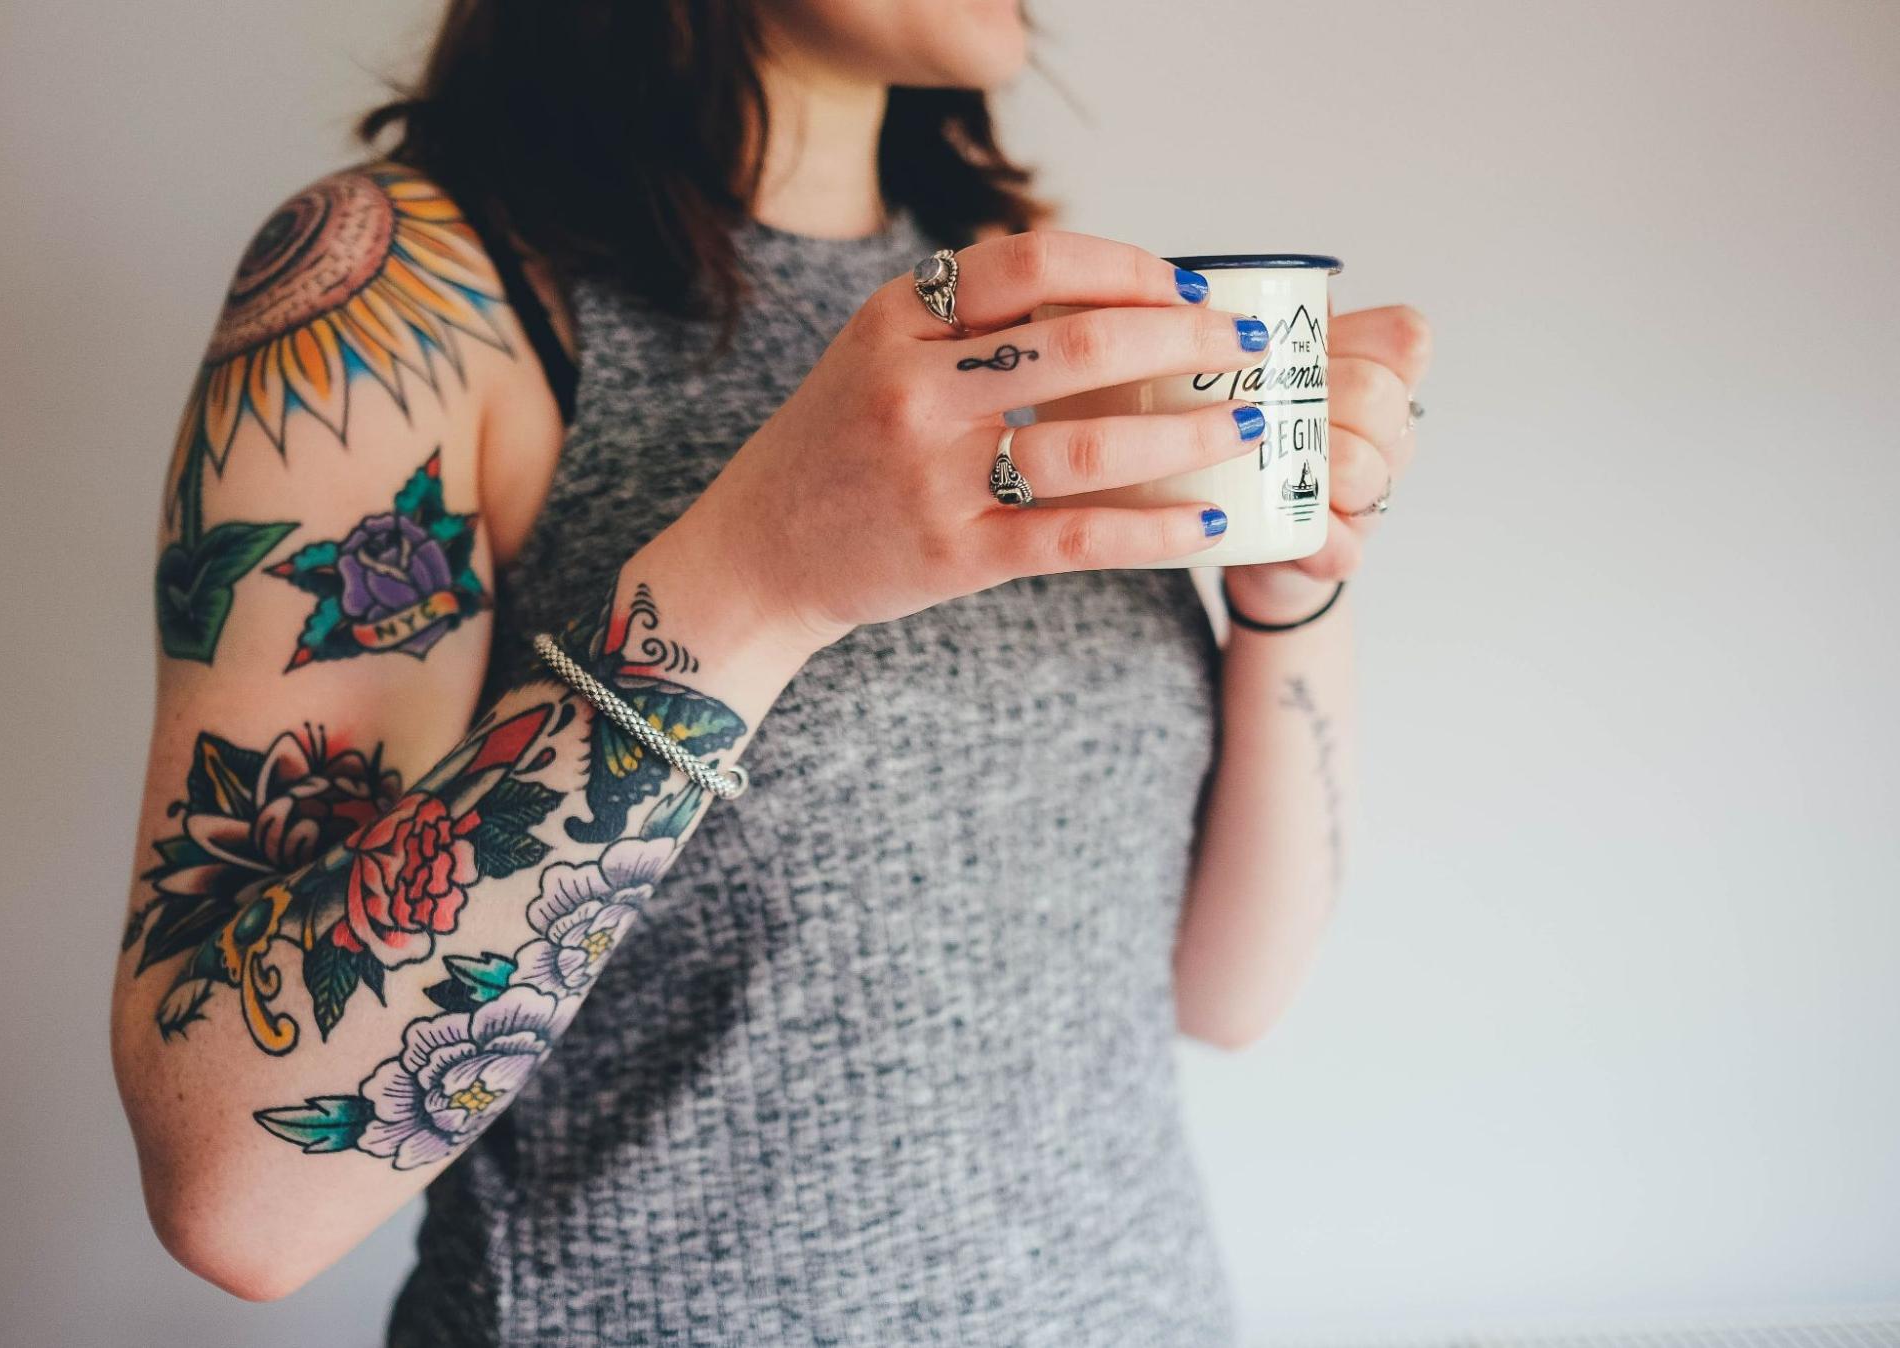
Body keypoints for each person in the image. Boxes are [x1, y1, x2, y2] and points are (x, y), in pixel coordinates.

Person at [109, 1, 1432, 1342]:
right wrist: (754, 580)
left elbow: (1223, 994)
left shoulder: (1010, 309)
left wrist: (1293, 594)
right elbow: (240, 1196)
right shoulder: (401, 294)